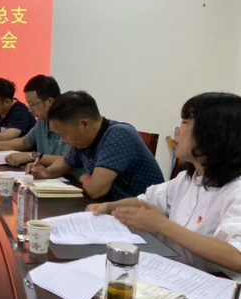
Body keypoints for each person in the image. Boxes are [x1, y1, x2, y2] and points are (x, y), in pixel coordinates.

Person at [88, 93, 241, 274]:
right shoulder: (186, 179)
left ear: (214, 134)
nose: (177, 130)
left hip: (214, 284)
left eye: (185, 122)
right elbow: (146, 202)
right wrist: (108, 207)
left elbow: (237, 257)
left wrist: (162, 225)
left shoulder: (236, 190)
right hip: (174, 271)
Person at [30, 91, 164, 200]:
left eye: (63, 134)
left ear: (84, 124)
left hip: (143, 215)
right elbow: (66, 162)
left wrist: (83, 177)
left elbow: (95, 190)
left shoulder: (118, 135)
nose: (63, 140)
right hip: (114, 208)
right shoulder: (83, 140)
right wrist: (46, 172)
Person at [0, 76, 79, 176]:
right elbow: (25, 142)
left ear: (49, 101)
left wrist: (31, 156)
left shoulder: (70, 123)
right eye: (28, 104)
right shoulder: (42, 121)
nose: (29, 110)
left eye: (32, 104)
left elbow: (68, 160)